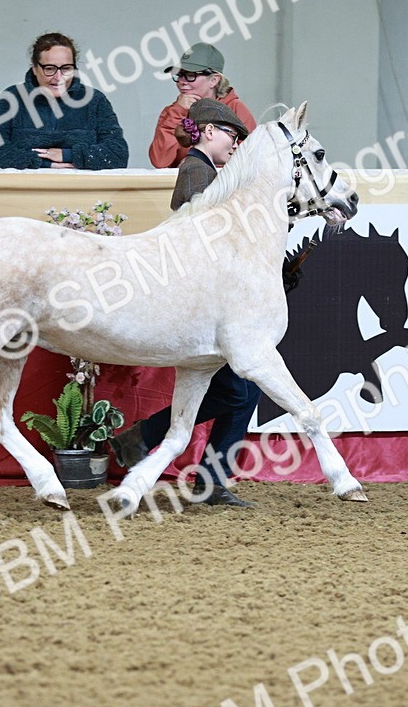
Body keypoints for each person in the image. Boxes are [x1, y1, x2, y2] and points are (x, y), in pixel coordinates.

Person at [112, 98, 261, 508]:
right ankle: (170, 455)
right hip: (200, 305)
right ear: (209, 132)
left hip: (207, 302)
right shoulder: (197, 170)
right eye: (232, 135)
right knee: (241, 391)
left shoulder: (208, 170)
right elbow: (203, 235)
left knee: (243, 392)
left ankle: (161, 450)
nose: (236, 143)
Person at [0, 32, 128, 169]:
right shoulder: (11, 99)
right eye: (50, 69)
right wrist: (45, 164)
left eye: (66, 68)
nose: (59, 77)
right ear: (35, 68)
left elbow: (118, 154)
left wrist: (67, 155)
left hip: (81, 193)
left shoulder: (95, 101)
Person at [148, 42, 256, 168]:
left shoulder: (235, 108)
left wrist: (199, 166)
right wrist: (178, 111)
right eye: (179, 75)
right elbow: (160, 162)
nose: (182, 82)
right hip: (183, 186)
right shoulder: (172, 111)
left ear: (214, 80)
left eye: (190, 75)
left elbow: (251, 159)